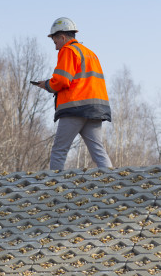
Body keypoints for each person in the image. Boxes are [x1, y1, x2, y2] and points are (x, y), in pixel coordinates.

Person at [34, 17, 113, 170]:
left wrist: (47, 85)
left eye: (56, 42)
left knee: (59, 150)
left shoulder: (68, 50)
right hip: (96, 109)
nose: (56, 48)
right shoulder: (90, 54)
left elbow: (62, 80)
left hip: (75, 108)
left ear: (63, 37)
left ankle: (54, 188)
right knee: (98, 152)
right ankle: (112, 183)